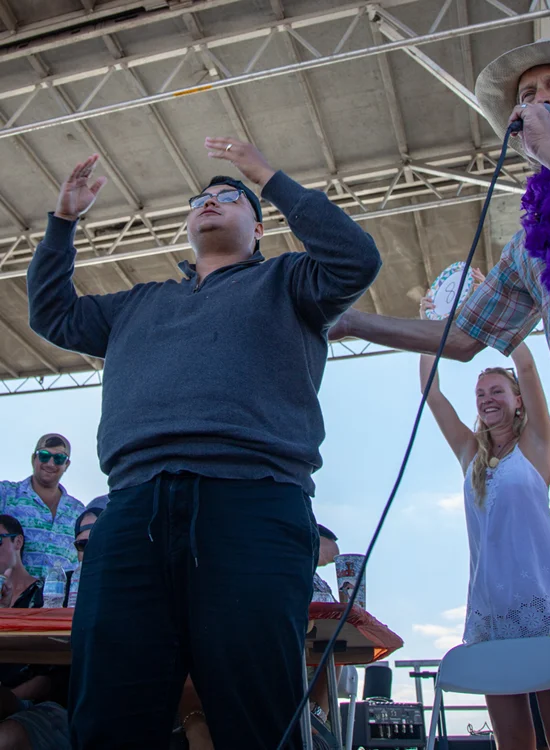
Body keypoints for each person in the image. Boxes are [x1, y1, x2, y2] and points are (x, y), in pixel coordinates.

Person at [26, 137, 381, 749]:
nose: (210, 201)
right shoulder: (141, 301)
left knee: (257, 709)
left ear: (260, 227)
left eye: (228, 197)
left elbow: (356, 259)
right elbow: (52, 313)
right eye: (200, 199)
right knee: (110, 709)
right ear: (187, 227)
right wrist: (63, 222)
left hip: (253, 502)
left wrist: (267, 176)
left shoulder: (290, 280)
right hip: (133, 508)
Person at [328, 36, 550, 612]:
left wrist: (547, 147)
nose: (538, 99)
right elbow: (462, 337)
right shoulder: (532, 243)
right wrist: (356, 321)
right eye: (527, 94)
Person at [419, 288, 550, 749]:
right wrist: (432, 328)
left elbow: (528, 366)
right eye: (480, 394)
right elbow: (431, 393)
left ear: (518, 401)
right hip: (492, 607)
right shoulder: (470, 454)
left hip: (549, 597)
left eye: (495, 390)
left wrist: (493, 305)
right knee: (512, 741)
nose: (486, 398)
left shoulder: (535, 443)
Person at [0, 515, 69, 750]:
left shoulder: (47, 594)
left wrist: (9, 699)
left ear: (17, 542)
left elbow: (49, 677)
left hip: (36, 706)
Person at [0, 434, 83, 579]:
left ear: (67, 464)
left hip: (58, 600)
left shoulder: (78, 511)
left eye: (59, 458)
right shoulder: (6, 494)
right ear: (34, 459)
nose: (50, 463)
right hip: (9, 598)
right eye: (44, 456)